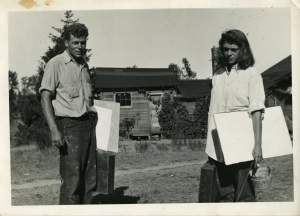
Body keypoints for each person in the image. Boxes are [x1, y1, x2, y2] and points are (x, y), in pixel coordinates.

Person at [40, 23, 97, 204]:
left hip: (88, 125)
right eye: (75, 43)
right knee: (72, 182)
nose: (80, 47)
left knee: (90, 181)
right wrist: (54, 130)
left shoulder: (84, 66)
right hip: (69, 126)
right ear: (66, 42)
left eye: (83, 43)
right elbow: (45, 97)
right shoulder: (55, 64)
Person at [205, 29, 265, 202]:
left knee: (243, 194)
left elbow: (257, 111)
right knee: (224, 193)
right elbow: (213, 109)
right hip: (219, 145)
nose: (228, 53)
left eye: (233, 49)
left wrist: (258, 145)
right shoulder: (218, 75)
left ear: (243, 49)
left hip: (242, 143)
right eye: (225, 49)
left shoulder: (251, 74)